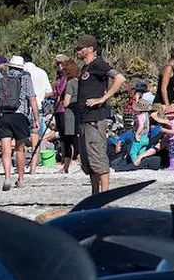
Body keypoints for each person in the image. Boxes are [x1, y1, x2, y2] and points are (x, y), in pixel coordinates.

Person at [74, 34, 127, 195]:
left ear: (90, 49)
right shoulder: (86, 67)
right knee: (88, 160)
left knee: (98, 156)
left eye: (80, 48)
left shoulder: (99, 64)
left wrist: (102, 98)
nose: (77, 50)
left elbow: (119, 78)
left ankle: (105, 194)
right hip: (84, 118)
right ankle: (95, 194)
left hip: (95, 119)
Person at [0, 55, 39, 191]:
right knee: (20, 149)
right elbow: (32, 99)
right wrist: (36, 118)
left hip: (3, 116)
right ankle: (21, 179)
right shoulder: (25, 78)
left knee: (6, 150)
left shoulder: (0, 78)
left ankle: (7, 177)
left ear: (9, 66)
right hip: (20, 116)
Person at [21, 52, 53, 174]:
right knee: (36, 140)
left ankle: (21, 167)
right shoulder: (42, 72)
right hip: (38, 108)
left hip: (23, 109)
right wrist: (39, 95)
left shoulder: (21, 71)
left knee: (20, 140)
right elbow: (49, 92)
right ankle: (33, 168)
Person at [52, 58, 81, 174]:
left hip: (67, 112)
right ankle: (67, 166)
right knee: (72, 138)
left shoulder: (70, 83)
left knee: (69, 139)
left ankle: (78, 163)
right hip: (76, 112)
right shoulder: (78, 81)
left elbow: (66, 102)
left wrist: (62, 101)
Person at [134, 104, 174, 169]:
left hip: (165, 150)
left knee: (172, 152)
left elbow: (156, 145)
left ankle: (173, 166)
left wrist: (163, 131)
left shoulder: (161, 127)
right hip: (172, 146)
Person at [128, 99, 153, 165]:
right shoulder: (146, 115)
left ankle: (135, 163)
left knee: (133, 152)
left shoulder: (139, 116)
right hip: (146, 137)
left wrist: (137, 134)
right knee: (141, 152)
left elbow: (141, 126)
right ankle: (142, 164)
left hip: (140, 137)